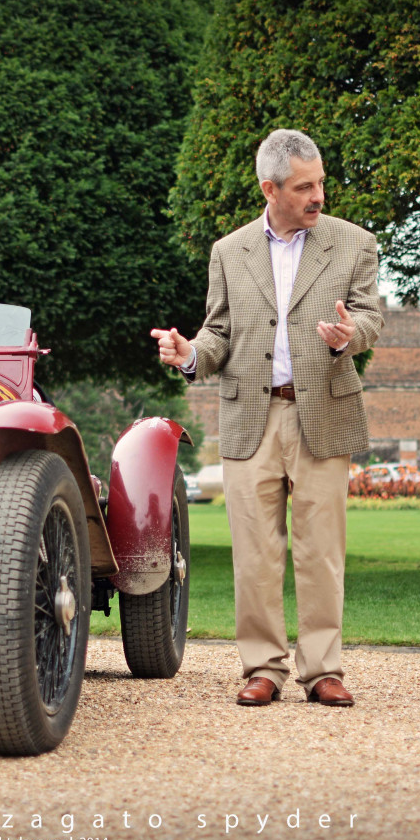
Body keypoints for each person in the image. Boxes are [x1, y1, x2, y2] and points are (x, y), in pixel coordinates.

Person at [150, 129, 382, 708]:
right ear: (269, 188)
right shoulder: (229, 252)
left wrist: (351, 335)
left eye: (322, 182)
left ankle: (322, 669)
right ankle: (263, 668)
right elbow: (219, 332)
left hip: (323, 413)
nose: (319, 195)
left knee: (321, 550)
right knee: (254, 553)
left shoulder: (355, 245)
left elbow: (371, 318)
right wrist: (189, 354)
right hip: (250, 416)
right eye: (306, 186)